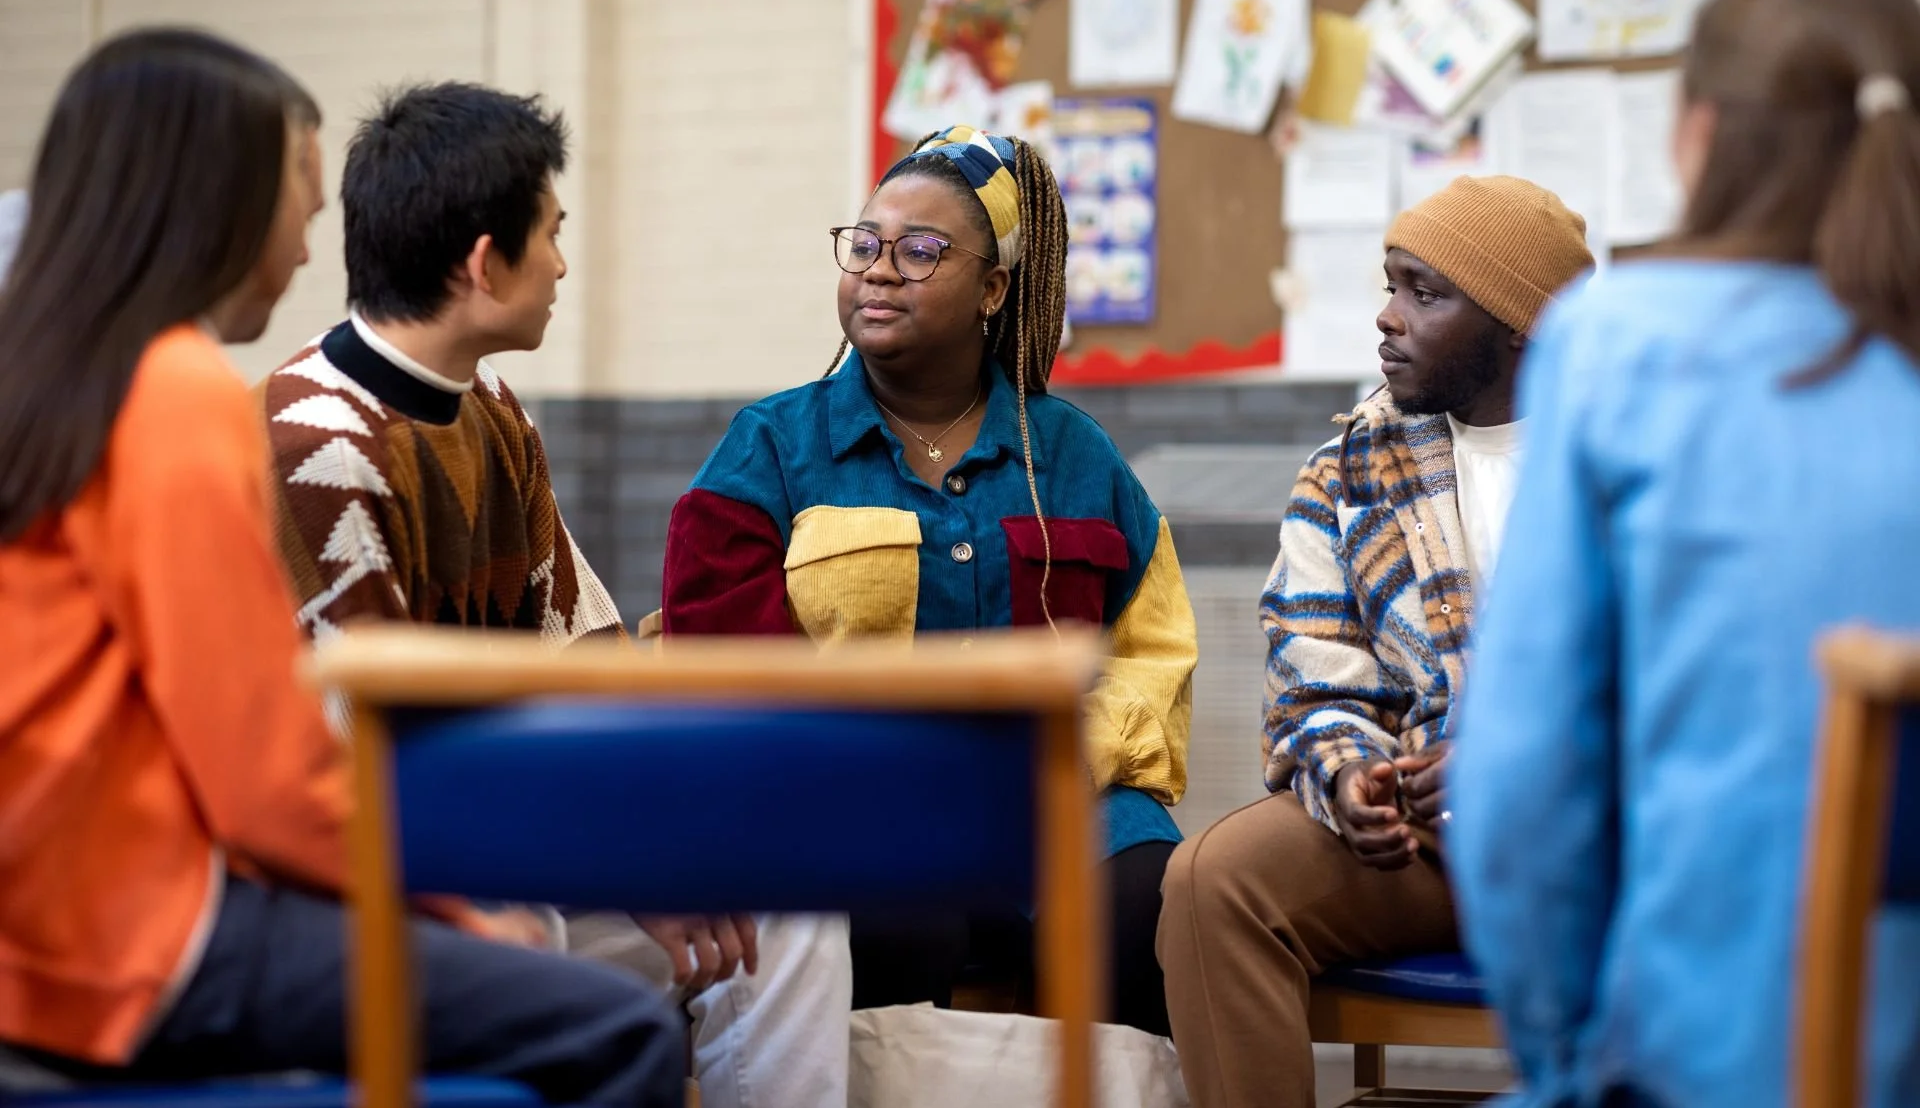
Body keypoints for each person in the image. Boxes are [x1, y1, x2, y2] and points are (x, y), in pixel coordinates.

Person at [0, 28, 682, 1104]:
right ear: (215, 201)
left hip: (54, 908)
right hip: (120, 936)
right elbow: (267, 779)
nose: (309, 251)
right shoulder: (182, 394)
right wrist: (450, 914)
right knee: (618, 1028)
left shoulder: (53, 373)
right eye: (301, 208)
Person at [259, 80, 847, 1108]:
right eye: (553, 235)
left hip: (513, 843)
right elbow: (377, 769)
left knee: (790, 895)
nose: (565, 265)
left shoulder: (490, 407)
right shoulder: (316, 447)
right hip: (385, 883)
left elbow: (588, 657)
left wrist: (664, 844)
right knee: (530, 927)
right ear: (486, 263)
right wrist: (617, 862)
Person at [1448, 0, 1920, 1108]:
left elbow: (1521, 796)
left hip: (1712, 1060)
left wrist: (1566, 1063)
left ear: (1698, 134)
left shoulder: (1620, 346)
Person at [661, 124, 1199, 1037]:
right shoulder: (771, 449)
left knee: (1152, 905)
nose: (878, 270)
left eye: (919, 252)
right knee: (892, 915)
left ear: (993, 289)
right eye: (864, 245)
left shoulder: (1075, 456)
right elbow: (722, 664)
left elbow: (1153, 652)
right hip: (855, 804)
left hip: (1062, 802)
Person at [1156, 176, 1594, 1107]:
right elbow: (1315, 678)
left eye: (1425, 294)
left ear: (1520, 325)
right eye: (1391, 286)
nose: (1389, 317)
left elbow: (1684, 692)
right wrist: (1352, 774)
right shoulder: (1351, 467)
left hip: (1603, 836)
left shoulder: (1623, 455)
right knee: (1213, 880)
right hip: (1426, 844)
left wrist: (1516, 765)